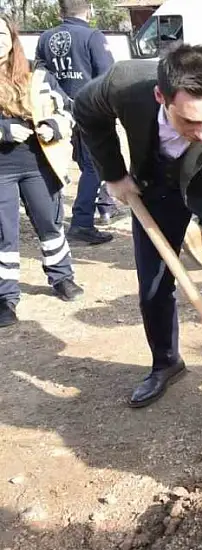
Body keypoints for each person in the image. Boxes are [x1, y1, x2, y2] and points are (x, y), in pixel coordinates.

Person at [73, 45, 202, 455]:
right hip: (154, 188)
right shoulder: (125, 83)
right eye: (189, 121)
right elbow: (86, 110)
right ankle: (166, 362)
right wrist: (113, 174)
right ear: (161, 97)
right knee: (153, 285)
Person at [0, 14, 83, 329]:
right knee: (3, 234)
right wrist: (3, 130)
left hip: (39, 162)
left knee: (50, 223)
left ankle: (62, 277)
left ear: (13, 36)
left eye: (2, 33)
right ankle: (5, 296)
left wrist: (52, 127)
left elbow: (66, 109)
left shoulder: (38, 74)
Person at [36, 0, 117, 245]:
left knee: (68, 164)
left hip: (57, 112)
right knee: (95, 166)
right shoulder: (92, 36)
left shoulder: (45, 37)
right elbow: (107, 75)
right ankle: (82, 222)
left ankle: (102, 206)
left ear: (61, 10)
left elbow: (40, 75)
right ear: (89, 9)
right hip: (90, 110)